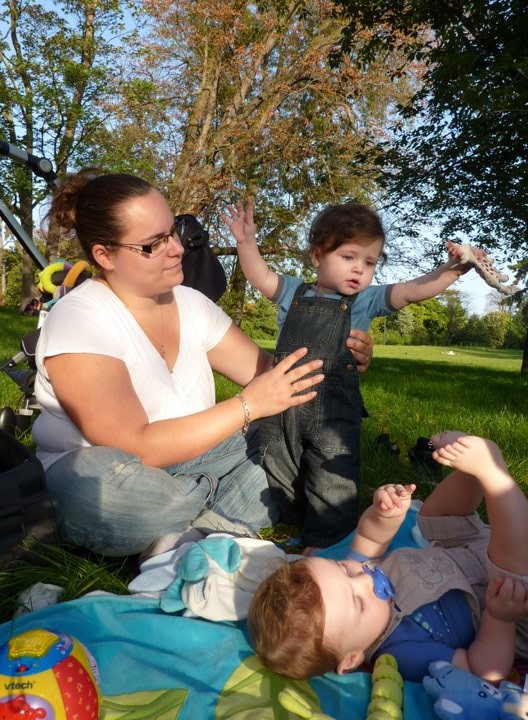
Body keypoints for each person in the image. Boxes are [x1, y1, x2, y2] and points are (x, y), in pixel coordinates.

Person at [32, 170, 374, 559]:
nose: (177, 249)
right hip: (119, 473)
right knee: (97, 496)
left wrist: (338, 360)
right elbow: (135, 445)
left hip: (203, 452)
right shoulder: (80, 317)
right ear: (104, 255)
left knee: (285, 444)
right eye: (153, 244)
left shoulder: (192, 303)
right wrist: (247, 406)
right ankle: (218, 520)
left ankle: (188, 534)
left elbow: (276, 377)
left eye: (173, 232)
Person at [224, 199, 484, 552]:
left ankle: (325, 541)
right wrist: (245, 242)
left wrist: (452, 270)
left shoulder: (366, 300)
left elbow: (412, 290)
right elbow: (259, 275)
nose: (359, 269)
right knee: (279, 466)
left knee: (334, 474)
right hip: (282, 407)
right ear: (317, 256)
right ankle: (296, 515)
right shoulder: (292, 292)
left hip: (333, 413)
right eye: (349, 257)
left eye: (370, 262)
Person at [248, 432, 528, 683]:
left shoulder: (357, 573)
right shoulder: (402, 651)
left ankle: (471, 474)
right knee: (510, 570)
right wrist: (500, 618)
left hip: (461, 547)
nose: (365, 578)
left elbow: (370, 538)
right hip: (507, 599)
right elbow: (481, 672)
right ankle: (493, 476)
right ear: (352, 659)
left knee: (431, 518)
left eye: (343, 568)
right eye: (359, 604)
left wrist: (384, 513)